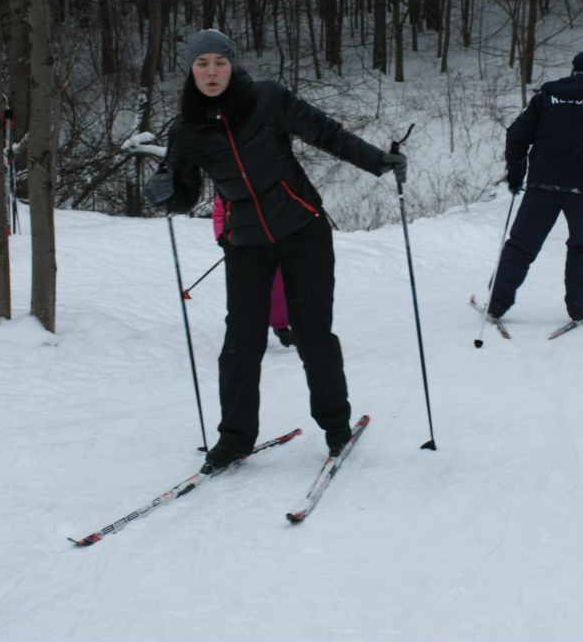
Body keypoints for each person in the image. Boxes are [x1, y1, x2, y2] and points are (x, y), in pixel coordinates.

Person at [145, 29, 406, 472]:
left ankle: (336, 426)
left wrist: (378, 161)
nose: (211, 72)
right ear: (190, 70)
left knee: (312, 333)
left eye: (219, 63)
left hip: (303, 229)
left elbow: (326, 133)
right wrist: (165, 192)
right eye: (202, 64)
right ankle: (234, 439)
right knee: (240, 344)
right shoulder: (186, 127)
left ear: (233, 65)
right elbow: (184, 194)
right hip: (245, 241)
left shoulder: (266, 98)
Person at [486, 51, 583, 323]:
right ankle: (579, 310)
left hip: (541, 184)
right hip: (582, 189)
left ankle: (495, 305)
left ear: (573, 70)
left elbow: (516, 135)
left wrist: (516, 173)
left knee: (521, 245)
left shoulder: (545, 98)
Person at [213, 195, 295, 348]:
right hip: (240, 245)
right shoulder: (230, 185)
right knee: (245, 291)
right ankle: (241, 326)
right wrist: (221, 236)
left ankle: (281, 325)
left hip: (272, 240)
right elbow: (219, 211)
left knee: (278, 287)